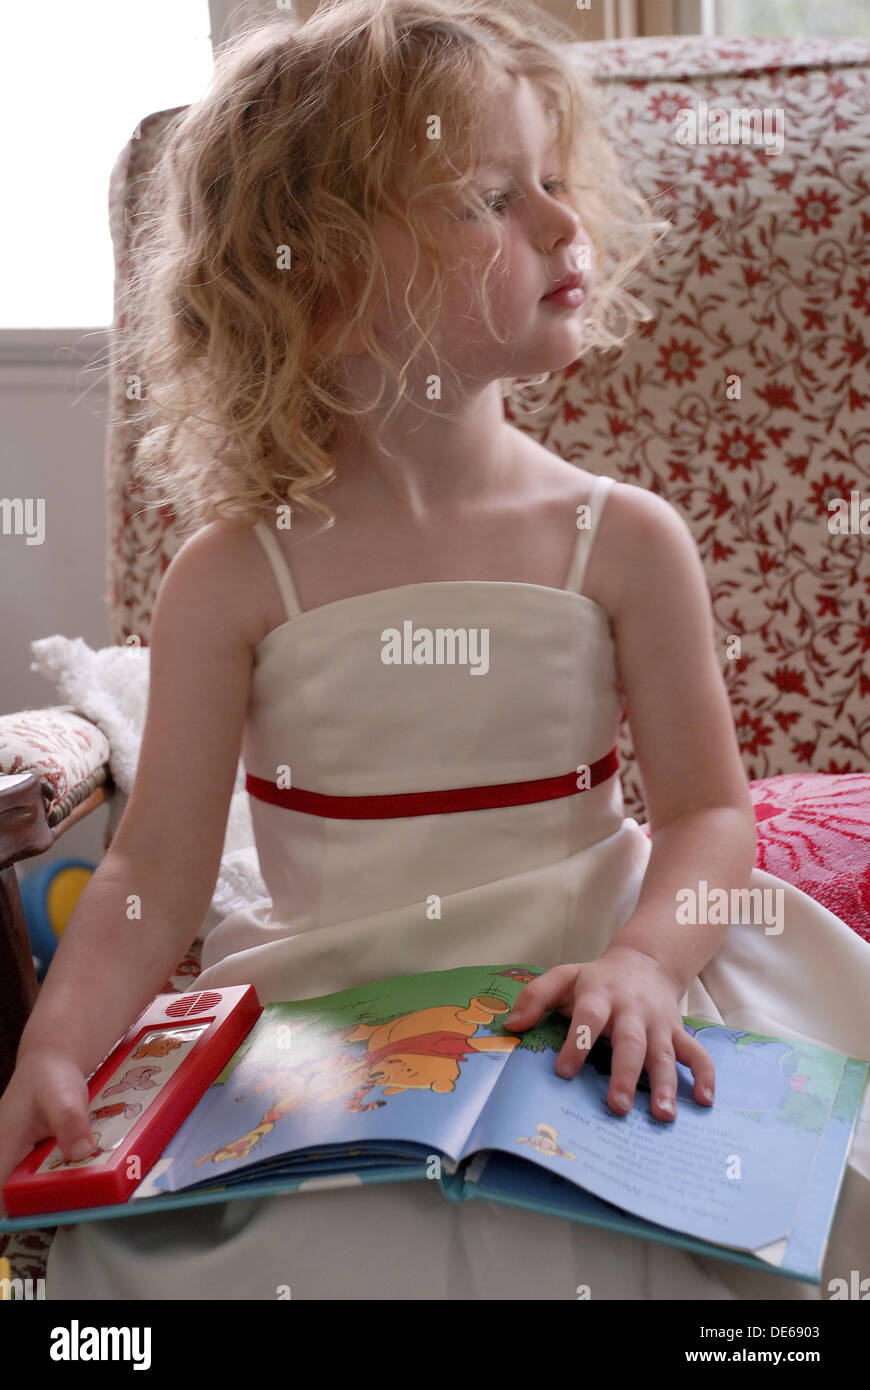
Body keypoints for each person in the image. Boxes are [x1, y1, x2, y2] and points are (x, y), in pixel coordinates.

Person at [1, 0, 868, 1300]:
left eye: (556, 184)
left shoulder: (622, 539)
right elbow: (153, 875)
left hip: (603, 978)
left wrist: (643, 961)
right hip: (336, 1010)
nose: (566, 227)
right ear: (319, 276)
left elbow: (708, 820)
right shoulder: (233, 576)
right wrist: (55, 1044)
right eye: (488, 200)